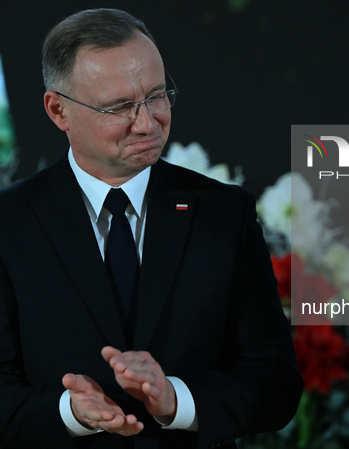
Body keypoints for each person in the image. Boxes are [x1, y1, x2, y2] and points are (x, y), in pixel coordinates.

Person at [0, 8, 302, 449]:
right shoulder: (10, 225)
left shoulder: (224, 214)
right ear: (58, 110)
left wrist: (176, 399)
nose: (147, 122)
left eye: (157, 97)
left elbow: (275, 383)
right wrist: (71, 412)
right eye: (119, 106)